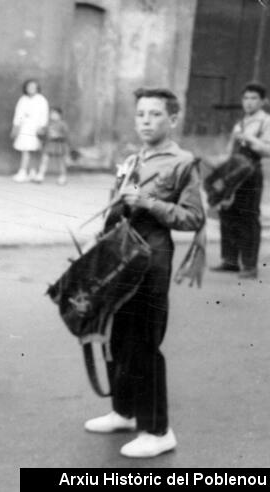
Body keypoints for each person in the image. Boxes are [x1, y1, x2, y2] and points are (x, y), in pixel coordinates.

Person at [83, 88, 204, 458]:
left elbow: (194, 217)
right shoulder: (133, 157)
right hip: (121, 254)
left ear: (173, 119)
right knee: (120, 338)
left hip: (152, 256)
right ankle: (124, 411)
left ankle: (158, 430)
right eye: (140, 115)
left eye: (154, 114)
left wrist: (148, 202)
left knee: (144, 343)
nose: (146, 121)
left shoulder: (183, 161)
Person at [210, 82, 270, 279]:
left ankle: (250, 265)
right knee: (227, 212)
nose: (249, 102)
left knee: (248, 216)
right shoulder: (240, 123)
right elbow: (230, 150)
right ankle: (230, 260)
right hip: (233, 170)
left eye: (254, 98)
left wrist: (249, 139)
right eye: (246, 98)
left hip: (251, 171)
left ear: (262, 101)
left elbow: (267, 150)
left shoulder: (265, 121)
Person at [10, 79, 49, 183]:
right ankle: (23, 172)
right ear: (25, 88)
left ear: (37, 88)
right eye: (29, 87)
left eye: (33, 87)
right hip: (24, 128)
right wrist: (16, 127)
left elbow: (44, 115)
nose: (31, 89)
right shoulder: (23, 100)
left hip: (35, 129)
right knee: (25, 149)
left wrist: (41, 127)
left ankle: (31, 172)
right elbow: (19, 115)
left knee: (33, 150)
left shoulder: (41, 100)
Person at [35, 106, 71, 185]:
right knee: (44, 159)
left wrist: (59, 135)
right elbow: (43, 134)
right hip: (49, 144)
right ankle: (40, 175)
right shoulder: (48, 124)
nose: (52, 115)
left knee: (60, 162)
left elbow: (66, 135)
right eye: (51, 114)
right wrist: (39, 133)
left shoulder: (63, 124)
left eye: (55, 114)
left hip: (59, 145)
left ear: (60, 115)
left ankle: (63, 176)